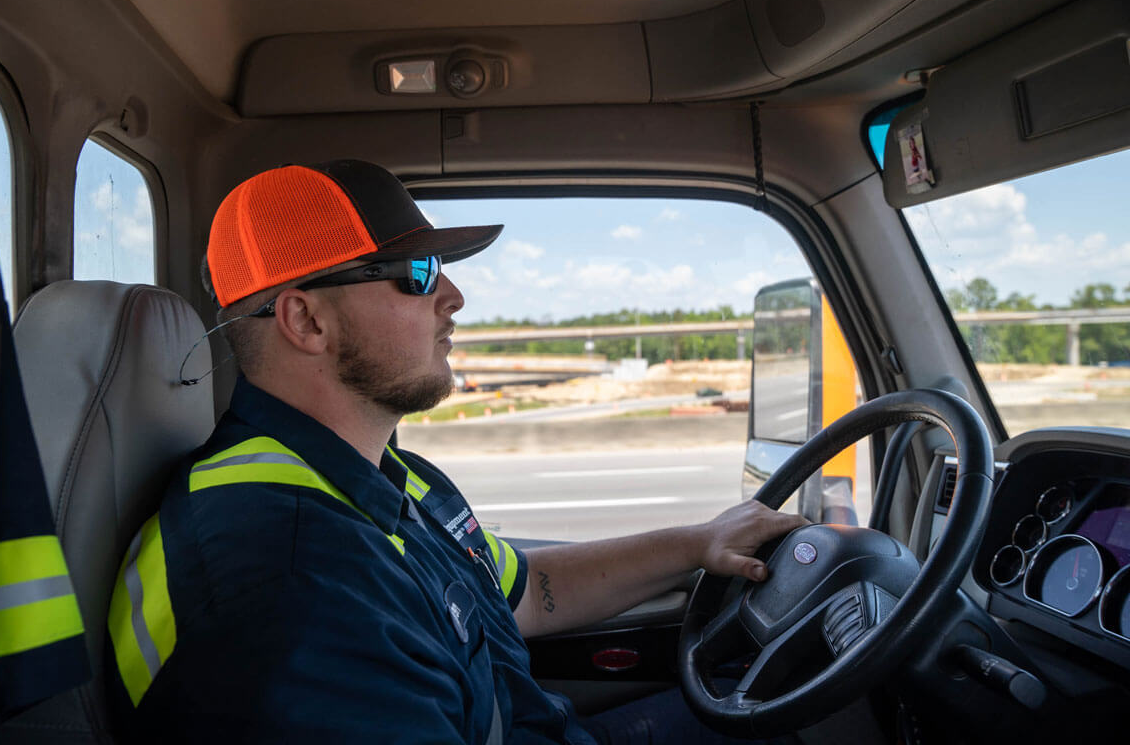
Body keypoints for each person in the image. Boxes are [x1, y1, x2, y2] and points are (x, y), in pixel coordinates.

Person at [106, 160, 806, 743]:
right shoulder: (290, 584)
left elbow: (527, 591)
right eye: (416, 273)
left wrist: (700, 541)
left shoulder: (383, 477)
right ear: (306, 318)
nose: (454, 296)